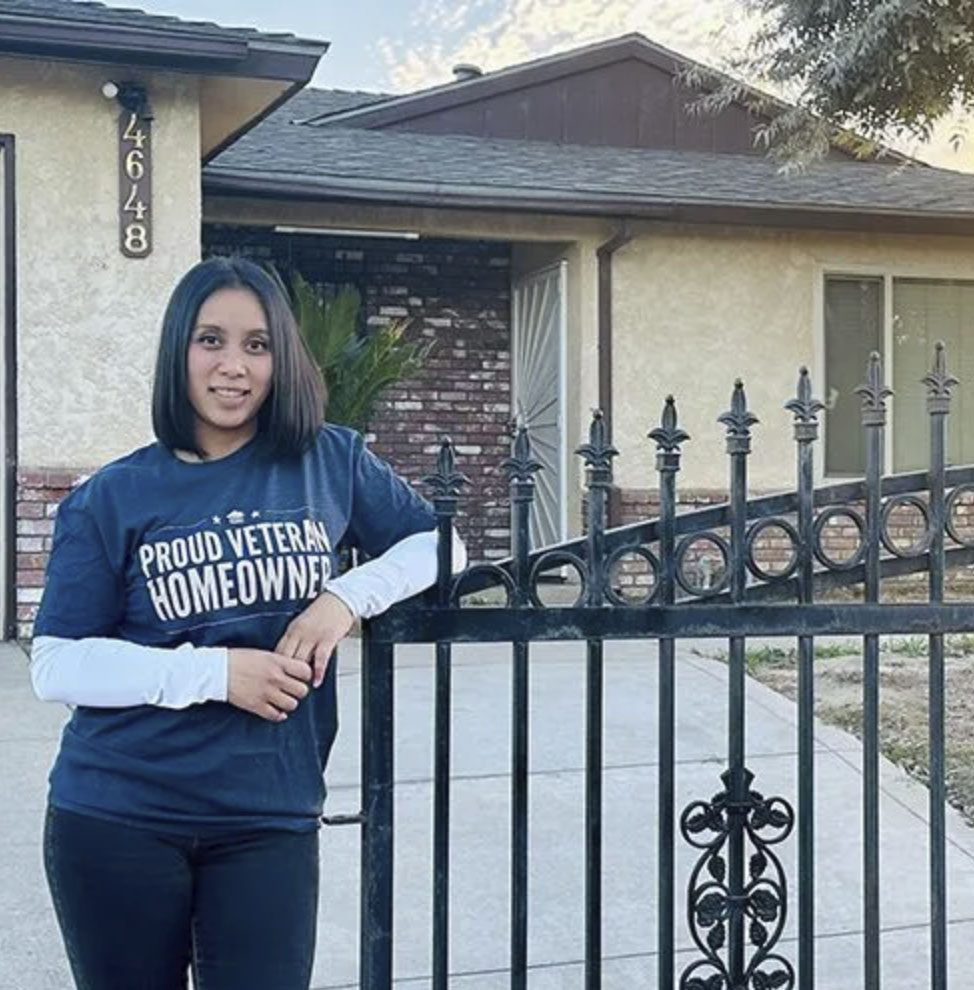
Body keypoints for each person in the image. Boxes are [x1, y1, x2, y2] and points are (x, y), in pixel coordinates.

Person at [29, 256, 465, 990]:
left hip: (269, 815)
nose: (234, 366)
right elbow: (56, 663)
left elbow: (442, 543)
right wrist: (214, 674)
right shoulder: (114, 495)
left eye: (256, 345)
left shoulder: (325, 458)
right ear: (179, 351)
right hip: (117, 815)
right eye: (211, 340)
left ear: (281, 358)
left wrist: (344, 598)